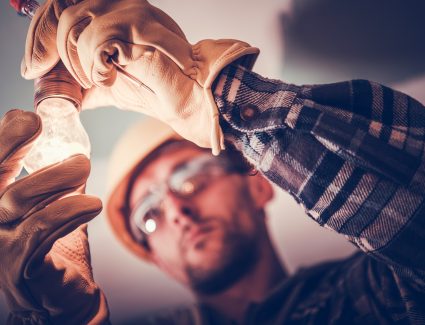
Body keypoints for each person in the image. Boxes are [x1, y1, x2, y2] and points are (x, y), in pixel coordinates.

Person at [0, 0, 424, 323]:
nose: (178, 211)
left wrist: (207, 94)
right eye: (149, 216)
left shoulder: (371, 295)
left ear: (258, 184)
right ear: (154, 257)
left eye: (188, 178)